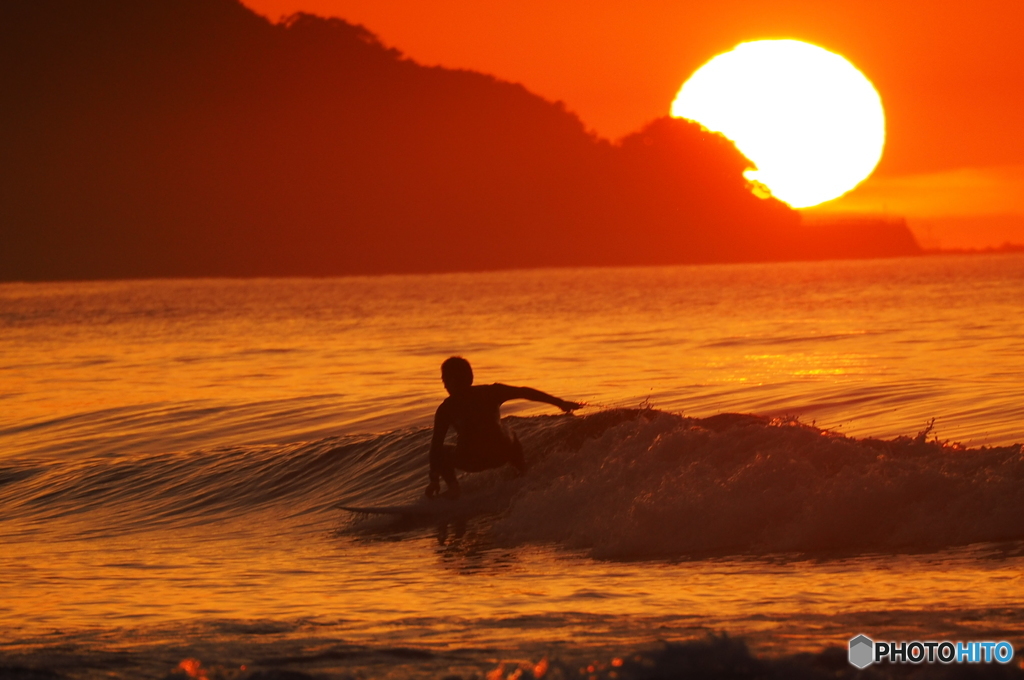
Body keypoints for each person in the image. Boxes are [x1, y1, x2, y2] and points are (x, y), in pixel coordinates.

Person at [425, 356, 581, 499]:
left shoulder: (446, 408)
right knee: (509, 432)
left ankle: (453, 489)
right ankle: (522, 473)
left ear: (451, 380)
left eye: (444, 379)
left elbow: (436, 446)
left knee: (443, 450)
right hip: (500, 455)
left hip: (472, 460)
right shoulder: (491, 391)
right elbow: (525, 392)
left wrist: (434, 480)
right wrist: (560, 403)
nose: (444, 384)